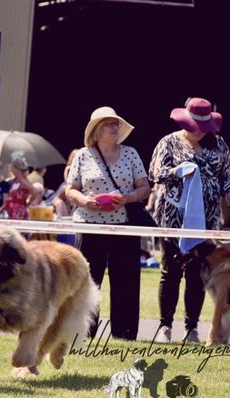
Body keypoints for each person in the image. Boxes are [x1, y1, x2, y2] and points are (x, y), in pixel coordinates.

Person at [149, 97, 230, 344]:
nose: (197, 130)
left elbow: (228, 176)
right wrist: (178, 172)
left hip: (206, 220)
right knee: (170, 272)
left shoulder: (218, 144)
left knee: (198, 275)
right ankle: (165, 326)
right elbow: (155, 173)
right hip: (175, 218)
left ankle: (192, 328)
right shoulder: (168, 142)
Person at [66, 106, 150, 340]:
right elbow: (70, 190)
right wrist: (85, 201)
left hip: (123, 224)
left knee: (126, 281)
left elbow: (145, 187)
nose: (116, 127)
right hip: (89, 225)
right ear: (97, 130)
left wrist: (129, 197)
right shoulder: (83, 155)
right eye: (109, 124)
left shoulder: (131, 153)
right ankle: (84, 332)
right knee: (87, 282)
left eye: (116, 124)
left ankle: (124, 335)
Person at [1, 154, 40, 220]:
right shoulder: (15, 181)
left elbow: (35, 191)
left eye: (11, 167)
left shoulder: (23, 181)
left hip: (19, 211)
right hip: (11, 210)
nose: (10, 169)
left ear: (16, 168)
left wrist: (29, 202)